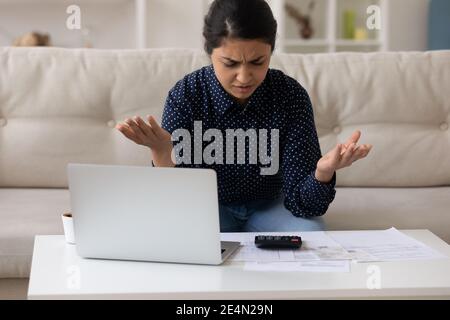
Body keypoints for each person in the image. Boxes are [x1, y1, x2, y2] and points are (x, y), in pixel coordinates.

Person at [116, 0, 372, 232]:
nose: (244, 77)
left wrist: (322, 173)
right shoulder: (187, 95)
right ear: (209, 51)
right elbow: (174, 203)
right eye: (230, 63)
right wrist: (162, 152)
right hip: (206, 210)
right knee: (171, 233)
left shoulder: (290, 97)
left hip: (270, 207)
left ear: (271, 51)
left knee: (312, 235)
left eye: (258, 62)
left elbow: (304, 205)